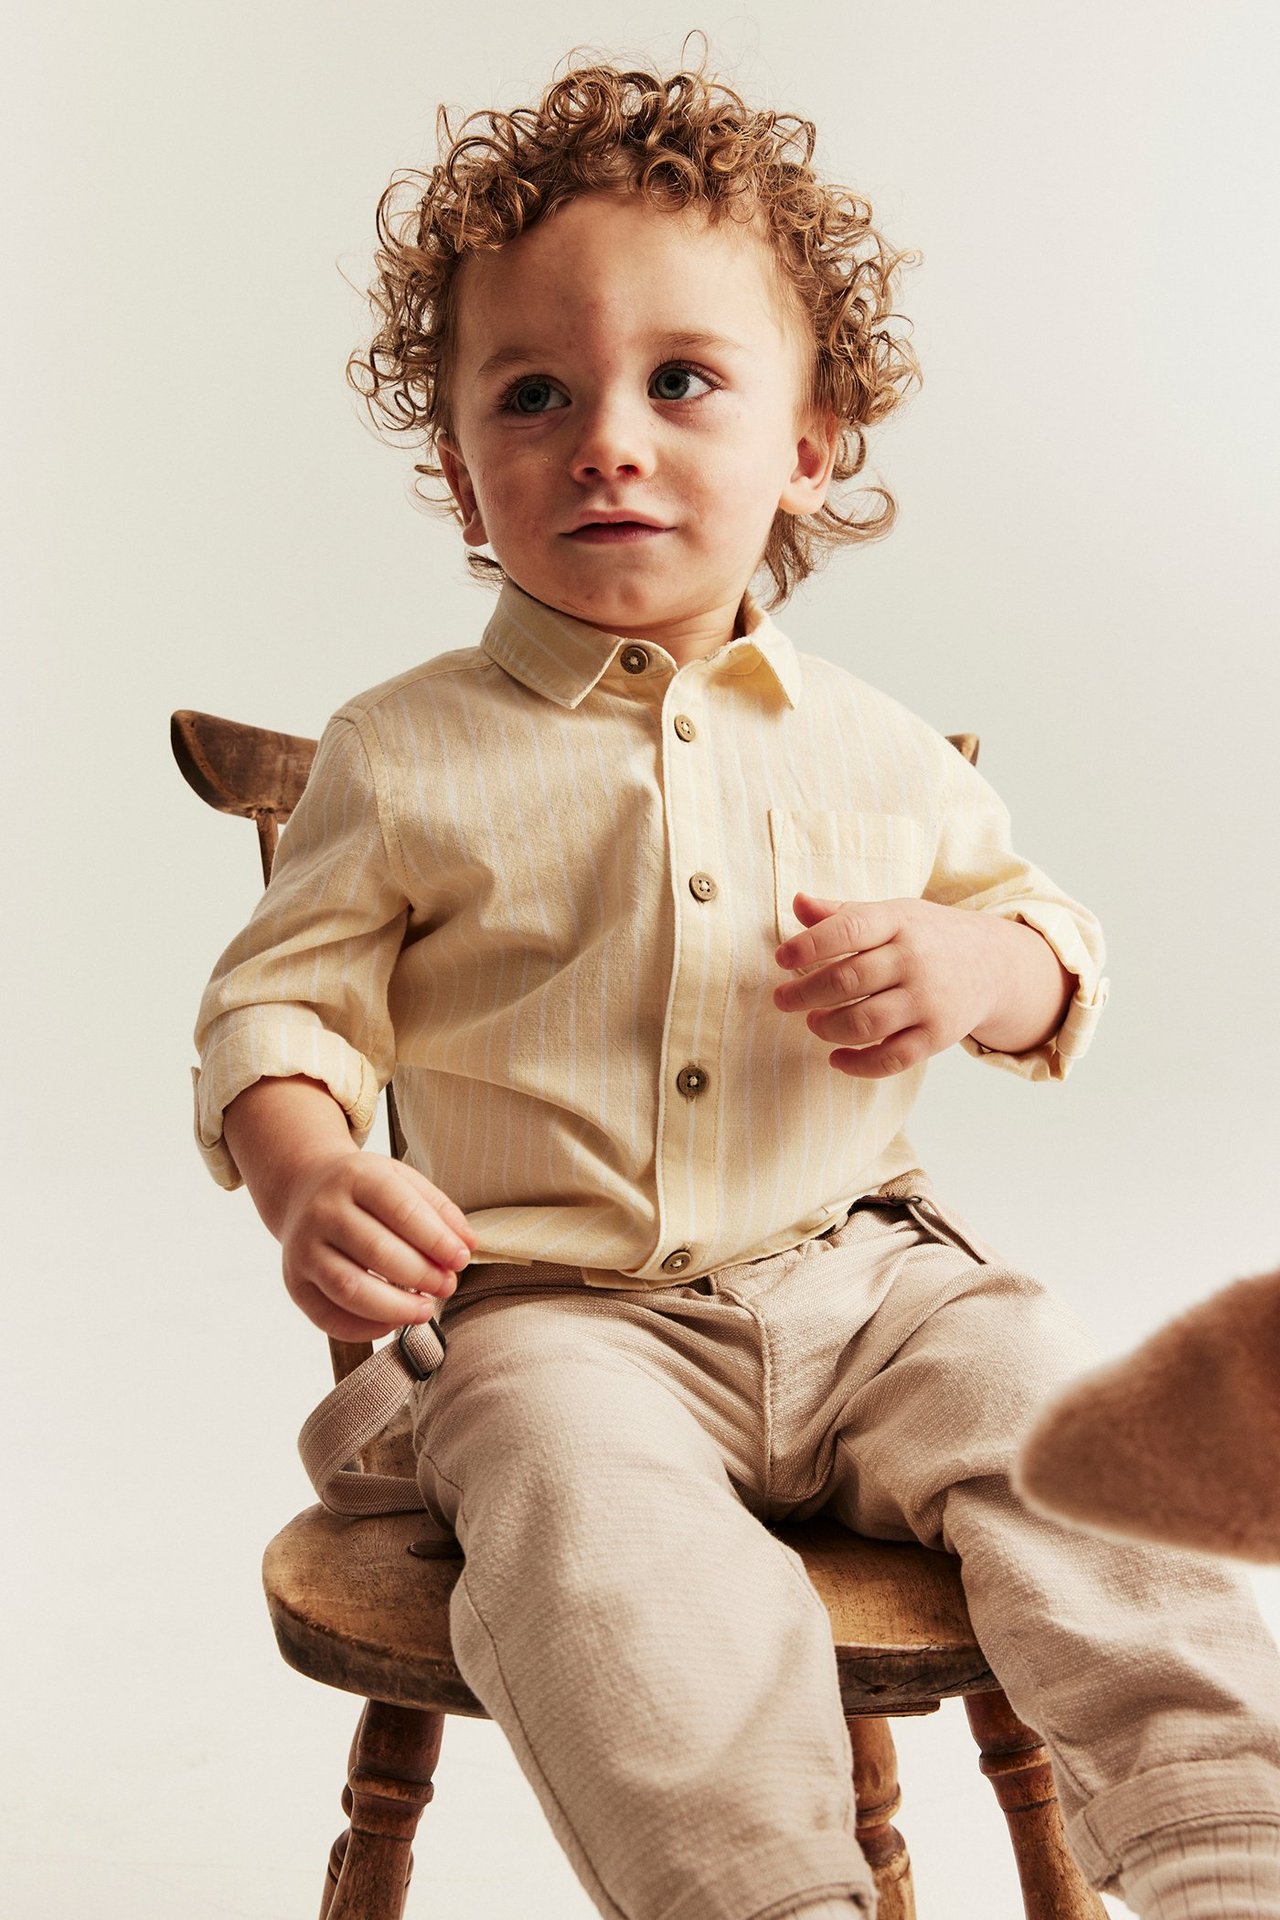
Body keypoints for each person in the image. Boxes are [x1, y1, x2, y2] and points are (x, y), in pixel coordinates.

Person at [192, 57, 1280, 1920]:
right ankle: (763, 1894)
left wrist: (972, 964)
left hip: (871, 1285)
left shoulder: (879, 751)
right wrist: (307, 1170)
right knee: (597, 1545)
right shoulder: (405, 755)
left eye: (682, 381)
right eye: (533, 395)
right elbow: (275, 1012)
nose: (607, 437)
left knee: (1062, 1428)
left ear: (810, 443)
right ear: (463, 469)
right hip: (556, 1317)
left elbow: (1052, 948)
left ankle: (1222, 1835)